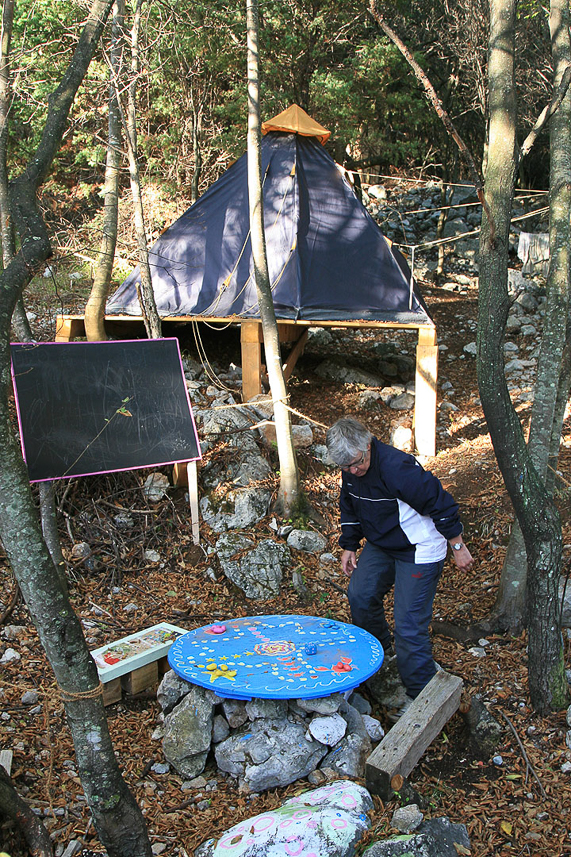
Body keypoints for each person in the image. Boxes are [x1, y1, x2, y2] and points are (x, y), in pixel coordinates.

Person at [326, 417, 473, 712]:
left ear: (368, 445)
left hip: (419, 546)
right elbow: (350, 504)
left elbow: (440, 501)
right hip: (383, 543)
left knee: (408, 625)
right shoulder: (351, 466)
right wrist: (350, 545)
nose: (352, 471)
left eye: (356, 463)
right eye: (345, 467)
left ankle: (423, 698)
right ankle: (382, 657)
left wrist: (457, 546)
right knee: (360, 594)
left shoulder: (397, 468)